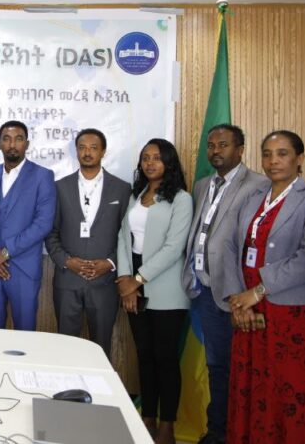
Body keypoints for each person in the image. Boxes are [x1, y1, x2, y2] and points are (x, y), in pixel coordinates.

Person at [223, 130, 305, 444]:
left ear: (300, 158)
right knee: (253, 382)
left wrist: (256, 292)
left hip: (294, 313)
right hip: (249, 308)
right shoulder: (254, 196)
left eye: (282, 154)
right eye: (267, 154)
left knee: (289, 388)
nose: (273, 161)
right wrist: (238, 300)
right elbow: (232, 246)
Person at [180, 124, 268, 444]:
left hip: (237, 293)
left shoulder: (258, 185)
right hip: (205, 289)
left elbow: (254, 242)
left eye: (223, 145)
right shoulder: (203, 184)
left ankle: (237, 432)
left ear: (240, 149)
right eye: (211, 145)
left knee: (240, 368)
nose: (215, 151)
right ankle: (218, 431)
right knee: (217, 366)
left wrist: (247, 294)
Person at [115, 138, 192, 444]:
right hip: (133, 284)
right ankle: (147, 416)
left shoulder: (181, 199)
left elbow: (174, 247)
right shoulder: (136, 195)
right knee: (144, 355)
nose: (150, 163)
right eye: (145, 158)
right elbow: (123, 238)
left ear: (169, 162)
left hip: (166, 288)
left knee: (165, 358)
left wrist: (137, 279)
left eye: (157, 158)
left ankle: (167, 424)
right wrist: (125, 280)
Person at [45, 128, 131, 354]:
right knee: (65, 347)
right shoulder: (60, 187)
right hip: (67, 281)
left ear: (103, 151)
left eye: (93, 148)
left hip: (104, 283)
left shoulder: (122, 189)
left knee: (101, 348)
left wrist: (110, 263)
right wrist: (67, 261)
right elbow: (51, 233)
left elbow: (126, 235)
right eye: (82, 147)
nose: (87, 152)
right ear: (76, 151)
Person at [0, 121, 55, 331]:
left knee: (25, 333)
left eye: (18, 139)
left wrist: (5, 253)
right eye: (7, 139)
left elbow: (43, 223)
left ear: (27, 144)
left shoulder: (43, 176)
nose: (12, 144)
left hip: (23, 269)